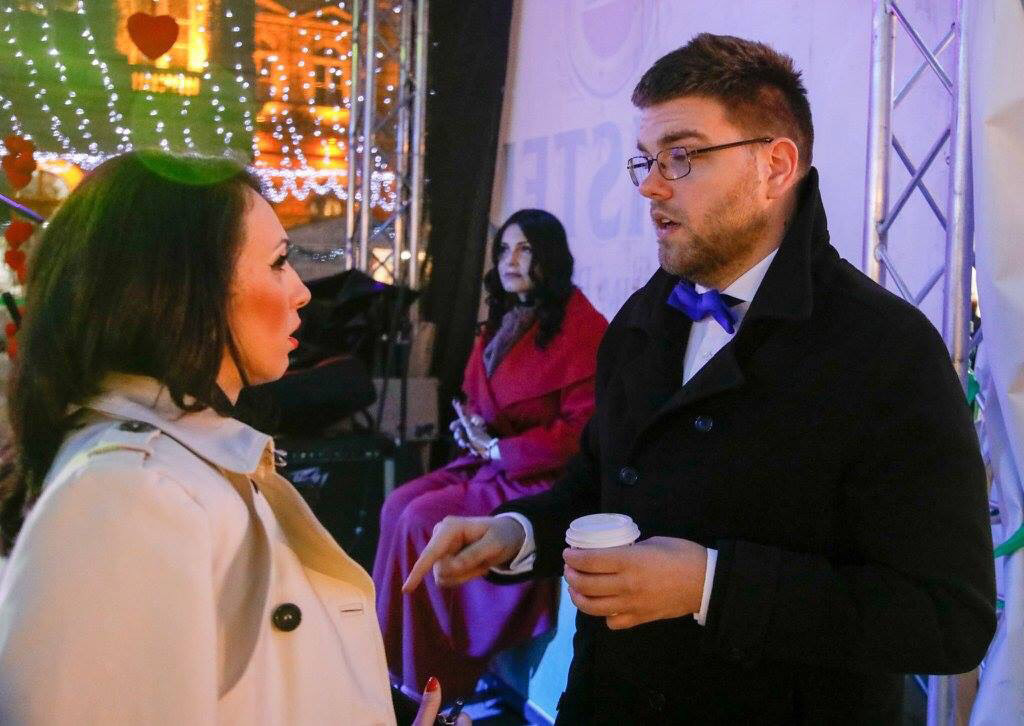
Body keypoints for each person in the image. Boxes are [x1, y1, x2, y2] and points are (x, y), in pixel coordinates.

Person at [402, 33, 997, 724]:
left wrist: (711, 585)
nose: (650, 185)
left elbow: (946, 616)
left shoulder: (885, 348)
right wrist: (516, 533)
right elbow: (596, 488)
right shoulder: (639, 321)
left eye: (682, 156)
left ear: (775, 167)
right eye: (646, 160)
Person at [0, 151, 465, 725]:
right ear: (180, 288)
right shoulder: (129, 493)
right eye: (278, 263)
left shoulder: (174, 468)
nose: (301, 292)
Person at [373, 209, 607, 698]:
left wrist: (501, 447)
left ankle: (432, 677)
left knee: (420, 518)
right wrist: (473, 428)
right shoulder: (502, 321)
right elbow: (479, 398)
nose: (509, 260)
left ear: (550, 257)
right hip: (487, 464)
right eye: (503, 250)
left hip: (538, 476)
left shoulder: (587, 329)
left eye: (524, 249)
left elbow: (579, 434)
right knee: (396, 504)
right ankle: (386, 659)